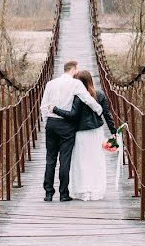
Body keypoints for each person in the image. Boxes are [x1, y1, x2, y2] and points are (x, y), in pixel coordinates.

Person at [39, 60, 102, 202]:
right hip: (67, 125)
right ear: (73, 70)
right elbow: (87, 99)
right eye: (77, 70)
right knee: (64, 159)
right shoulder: (76, 84)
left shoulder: (50, 84)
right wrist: (99, 110)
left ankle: (48, 194)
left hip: (51, 123)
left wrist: (47, 123)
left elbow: (43, 106)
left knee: (50, 159)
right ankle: (63, 194)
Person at [53, 70, 117, 201]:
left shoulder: (77, 96)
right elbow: (106, 114)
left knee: (81, 162)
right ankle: (95, 190)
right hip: (97, 132)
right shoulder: (99, 94)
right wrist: (113, 131)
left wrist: (55, 110)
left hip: (80, 133)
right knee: (96, 160)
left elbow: (72, 116)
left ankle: (83, 190)